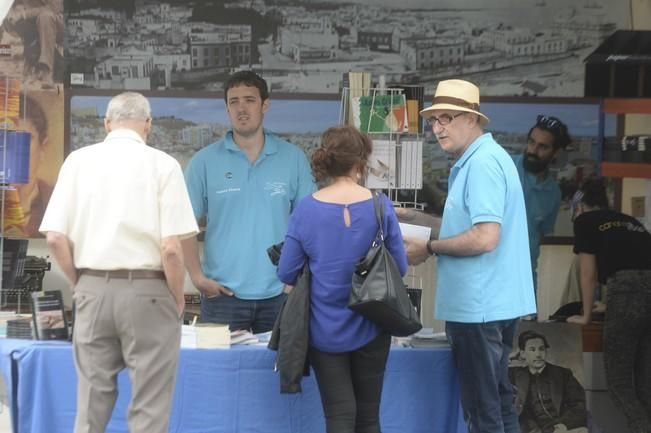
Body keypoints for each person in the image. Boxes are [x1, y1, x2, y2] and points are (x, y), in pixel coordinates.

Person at [39, 92, 199, 433]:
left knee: (90, 407)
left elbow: (54, 237)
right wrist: (178, 295)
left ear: (107, 124)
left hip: (92, 289)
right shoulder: (164, 164)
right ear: (148, 124)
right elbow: (171, 248)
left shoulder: (77, 161)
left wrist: (79, 282)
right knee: (150, 407)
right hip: (150, 291)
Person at [403, 79, 536, 433]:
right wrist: (416, 219)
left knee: (482, 410)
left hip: (479, 306)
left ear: (472, 118)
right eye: (433, 121)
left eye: (446, 118)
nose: (437, 128)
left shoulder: (481, 164)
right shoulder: (483, 159)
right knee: (498, 402)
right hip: (493, 303)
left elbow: (485, 237)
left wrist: (428, 247)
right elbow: (465, 226)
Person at [277, 125, 407, 433]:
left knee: (338, 415)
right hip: (373, 323)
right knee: (369, 417)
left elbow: (286, 271)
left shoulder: (306, 209)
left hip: (324, 329)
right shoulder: (380, 206)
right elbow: (399, 267)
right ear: (361, 162)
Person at [183, 70, 315, 333]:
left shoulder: (293, 158)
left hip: (281, 293)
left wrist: (296, 279)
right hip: (222, 295)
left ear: (265, 105)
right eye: (234, 102)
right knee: (220, 374)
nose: (241, 109)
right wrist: (197, 278)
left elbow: (310, 224)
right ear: (227, 108)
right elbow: (184, 224)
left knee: (279, 373)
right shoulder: (203, 162)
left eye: (249, 100)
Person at [567, 177, 651, 433]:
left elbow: (588, 273)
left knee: (620, 384)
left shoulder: (584, 222)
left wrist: (586, 314)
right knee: (646, 385)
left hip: (626, 293)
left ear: (579, 206)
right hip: (641, 294)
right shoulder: (630, 221)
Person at [514, 115, 571, 291]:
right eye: (531, 142)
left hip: (524, 280)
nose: (533, 150)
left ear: (556, 152)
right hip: (485, 277)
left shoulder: (553, 193)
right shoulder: (503, 166)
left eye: (542, 147)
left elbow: (540, 235)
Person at [509, 330, 588, 433]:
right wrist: (510, 357)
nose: (538, 354)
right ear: (523, 353)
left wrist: (564, 424)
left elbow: (581, 403)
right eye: (532, 350)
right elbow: (488, 372)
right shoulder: (515, 374)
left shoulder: (562, 374)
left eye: (541, 349)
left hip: (562, 428)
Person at [1, 0, 63, 88]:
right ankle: (30, 65)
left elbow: (54, 8)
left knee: (45, 17)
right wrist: (10, 12)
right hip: (35, 20)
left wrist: (24, 14)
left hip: (59, 22)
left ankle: (46, 70)